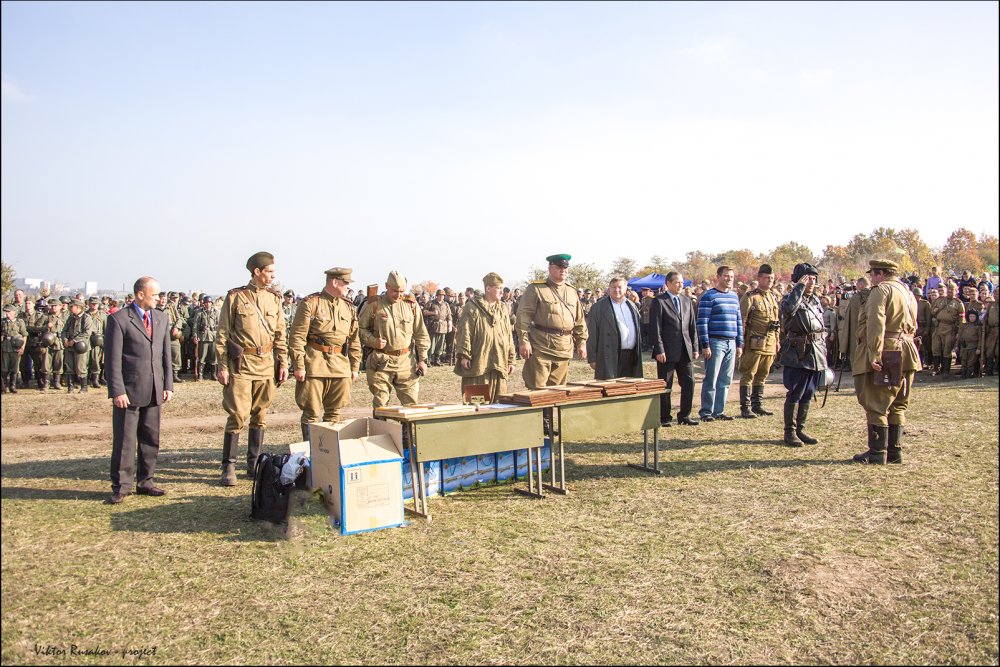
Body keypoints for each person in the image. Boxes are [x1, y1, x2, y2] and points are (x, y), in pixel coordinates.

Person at [215, 251, 289, 486]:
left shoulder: (274, 299)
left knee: (261, 415)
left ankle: (254, 465)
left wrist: (283, 362)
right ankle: (228, 466)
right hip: (242, 365)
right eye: (269, 272)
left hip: (266, 365)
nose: (273, 276)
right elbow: (223, 334)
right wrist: (222, 366)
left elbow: (280, 335)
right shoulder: (235, 298)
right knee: (238, 415)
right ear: (257, 272)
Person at [104, 276, 174, 504]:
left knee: (151, 439)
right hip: (129, 391)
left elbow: (165, 355)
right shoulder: (119, 319)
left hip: (154, 389)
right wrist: (117, 391)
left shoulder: (161, 318)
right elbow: (112, 360)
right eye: (155, 294)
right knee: (125, 442)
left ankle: (146, 482)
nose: (159, 298)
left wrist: (168, 385)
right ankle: (121, 486)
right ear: (140, 294)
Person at [851, 260, 920, 465]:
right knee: (898, 404)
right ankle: (894, 452)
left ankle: (877, 452)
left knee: (876, 402)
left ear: (880, 274)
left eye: (872, 274)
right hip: (907, 350)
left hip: (888, 350)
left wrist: (874, 353)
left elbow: (876, 322)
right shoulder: (907, 292)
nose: (871, 278)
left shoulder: (881, 290)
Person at [289, 267, 362, 439]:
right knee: (311, 413)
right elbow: (297, 337)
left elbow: (354, 340)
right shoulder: (311, 303)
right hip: (315, 365)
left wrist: (354, 367)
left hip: (340, 367)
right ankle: (310, 450)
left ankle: (328, 450)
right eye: (345, 283)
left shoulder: (348, 307)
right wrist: (299, 365)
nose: (348, 287)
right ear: (335, 282)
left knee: (334, 413)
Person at [515, 253, 588, 389]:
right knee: (537, 390)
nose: (563, 270)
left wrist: (581, 343)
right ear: (550, 268)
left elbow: (579, 321)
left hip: (564, 348)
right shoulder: (536, 289)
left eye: (565, 268)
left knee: (558, 391)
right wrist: (523, 341)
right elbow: (523, 317)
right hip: (541, 347)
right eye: (559, 267)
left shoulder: (572, 291)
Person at [358, 271, 430, 408]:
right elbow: (359, 329)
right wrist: (373, 341)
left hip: (406, 363)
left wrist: (423, 359)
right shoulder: (373, 304)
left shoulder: (411, 305)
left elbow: (421, 333)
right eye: (395, 291)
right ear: (387, 286)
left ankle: (407, 424)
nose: (398, 295)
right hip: (381, 362)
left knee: (411, 405)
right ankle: (380, 422)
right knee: (381, 405)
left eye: (402, 291)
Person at [778, 263, 828, 446]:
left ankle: (800, 429)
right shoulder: (790, 298)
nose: (812, 282)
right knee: (796, 391)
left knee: (809, 391)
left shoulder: (815, 300)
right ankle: (790, 432)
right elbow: (789, 310)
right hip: (798, 351)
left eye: (814, 279)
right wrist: (798, 288)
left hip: (816, 350)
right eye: (808, 279)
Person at [453, 272, 516, 403]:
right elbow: (464, 331)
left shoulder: (502, 308)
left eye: (501, 288)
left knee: (500, 402)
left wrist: (511, 358)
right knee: (477, 403)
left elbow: (508, 335)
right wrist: (464, 355)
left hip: (499, 361)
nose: (502, 291)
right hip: (478, 362)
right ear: (488, 288)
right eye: (498, 288)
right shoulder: (472, 307)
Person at [649, 271, 699, 427]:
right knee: (666, 385)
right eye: (677, 282)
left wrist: (695, 347)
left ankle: (684, 415)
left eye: (682, 282)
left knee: (689, 383)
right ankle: (665, 417)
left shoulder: (686, 301)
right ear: (668, 283)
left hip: (685, 350)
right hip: (667, 351)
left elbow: (692, 326)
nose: (680, 285)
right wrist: (659, 349)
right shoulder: (659, 301)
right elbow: (655, 328)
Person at [697, 266, 743, 421]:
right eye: (726, 276)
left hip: (731, 342)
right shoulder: (709, 296)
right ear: (718, 277)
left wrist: (739, 343)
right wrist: (705, 345)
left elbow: (738, 321)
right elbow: (702, 322)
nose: (729, 279)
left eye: (731, 276)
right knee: (711, 379)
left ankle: (719, 411)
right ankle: (706, 412)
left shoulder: (734, 297)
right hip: (715, 342)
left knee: (726, 379)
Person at [738, 264, 780, 419]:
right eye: (767, 278)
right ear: (759, 278)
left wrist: (777, 340)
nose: (770, 280)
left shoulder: (772, 297)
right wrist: (741, 341)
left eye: (772, 278)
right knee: (749, 374)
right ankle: (745, 407)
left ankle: (758, 405)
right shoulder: (750, 297)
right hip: (754, 341)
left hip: (770, 341)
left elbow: (776, 321)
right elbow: (742, 320)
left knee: (763, 374)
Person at [586, 276, 643, 380]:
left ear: (625, 289)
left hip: (632, 356)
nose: (617, 290)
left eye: (620, 287)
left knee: (630, 387)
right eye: (613, 287)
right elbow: (592, 334)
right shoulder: (598, 307)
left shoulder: (632, 306)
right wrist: (592, 358)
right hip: (609, 356)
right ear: (609, 289)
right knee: (610, 387)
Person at [930, 282, 964, 378]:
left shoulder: (958, 303)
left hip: (950, 328)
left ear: (956, 291)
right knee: (935, 347)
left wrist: (959, 332)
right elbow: (932, 311)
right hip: (939, 326)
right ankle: (936, 368)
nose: (949, 291)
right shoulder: (939, 300)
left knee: (947, 349)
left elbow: (961, 319)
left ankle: (946, 370)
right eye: (948, 289)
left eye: (952, 289)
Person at [61, 298, 95, 393]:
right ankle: (70, 387)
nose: (70, 308)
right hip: (69, 346)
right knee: (69, 367)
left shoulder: (86, 318)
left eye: (72, 306)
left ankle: (84, 387)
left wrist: (75, 340)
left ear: (78, 307)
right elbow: (64, 330)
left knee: (81, 367)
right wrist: (65, 339)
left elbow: (87, 332)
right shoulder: (71, 318)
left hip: (81, 346)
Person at [1, 304, 28, 393]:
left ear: (13, 312)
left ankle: (12, 386)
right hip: (5, 347)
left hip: (15, 348)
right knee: (4, 369)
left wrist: (22, 348)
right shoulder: (3, 322)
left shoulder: (19, 322)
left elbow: (24, 335)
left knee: (14, 368)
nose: (7, 313)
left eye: (9, 312)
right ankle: (3, 386)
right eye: (6, 312)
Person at [192, 294, 220, 380]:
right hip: (203, 337)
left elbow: (220, 325)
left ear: (211, 303)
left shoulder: (216, 312)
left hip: (213, 337)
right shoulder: (199, 312)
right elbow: (195, 326)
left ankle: (213, 374)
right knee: (202, 357)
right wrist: (195, 336)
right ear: (203, 303)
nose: (208, 304)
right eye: (206, 302)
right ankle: (200, 374)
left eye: (209, 302)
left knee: (214, 357)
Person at [423, 289, 452, 366]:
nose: (441, 297)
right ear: (437, 295)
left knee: (440, 344)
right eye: (440, 295)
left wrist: (449, 323)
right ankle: (428, 360)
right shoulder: (431, 303)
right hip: (433, 326)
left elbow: (449, 315)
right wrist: (432, 313)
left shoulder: (446, 304)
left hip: (443, 326)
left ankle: (437, 360)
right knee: (432, 344)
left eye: (443, 295)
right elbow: (424, 312)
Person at [86, 296, 107, 388]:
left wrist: (105, 342)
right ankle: (85, 379)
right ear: (89, 304)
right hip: (87, 339)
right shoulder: (85, 314)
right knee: (86, 360)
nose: (94, 305)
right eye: (92, 304)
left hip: (98, 340)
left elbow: (106, 329)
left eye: (96, 304)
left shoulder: (102, 315)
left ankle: (95, 379)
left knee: (96, 360)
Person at [957, 310, 981, 379]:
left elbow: (980, 339)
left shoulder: (978, 327)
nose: (972, 318)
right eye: (970, 316)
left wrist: (979, 348)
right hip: (964, 346)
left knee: (971, 363)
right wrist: (957, 346)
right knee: (963, 361)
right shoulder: (965, 326)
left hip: (973, 347)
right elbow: (960, 336)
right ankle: (963, 375)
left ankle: (968, 375)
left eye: (973, 316)